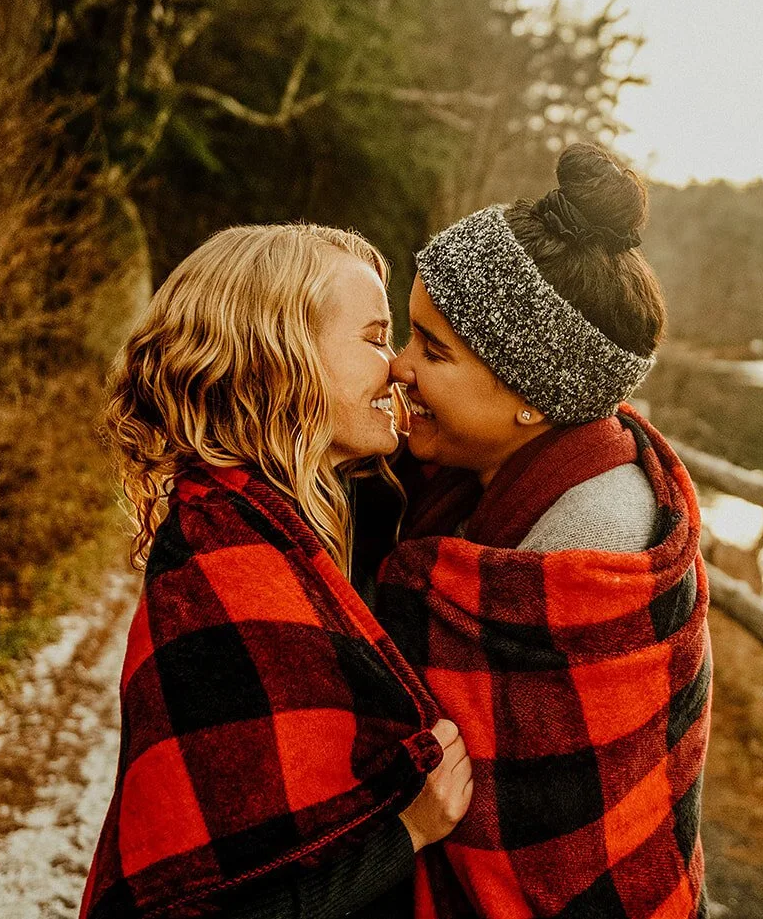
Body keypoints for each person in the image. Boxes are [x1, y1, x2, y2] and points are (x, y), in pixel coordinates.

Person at [81, 224, 472, 919]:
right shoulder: (220, 567)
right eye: (375, 336)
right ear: (281, 356)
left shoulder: (325, 522)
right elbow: (208, 905)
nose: (399, 368)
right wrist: (405, 830)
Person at [370, 145, 711, 918]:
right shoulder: (467, 484)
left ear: (531, 395)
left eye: (432, 348)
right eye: (406, 332)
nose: (397, 366)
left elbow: (557, 844)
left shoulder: (590, 543)